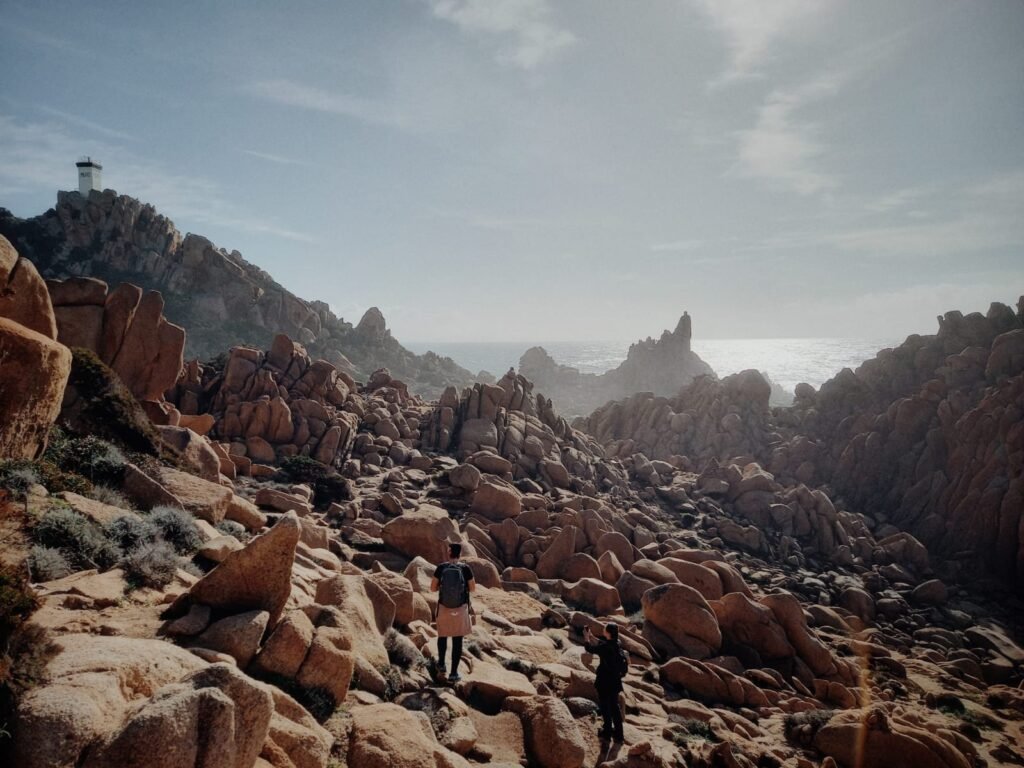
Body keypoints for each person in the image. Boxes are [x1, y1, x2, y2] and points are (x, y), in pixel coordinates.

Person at [430, 542, 476, 682]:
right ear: (460, 554)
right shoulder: (465, 568)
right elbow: (473, 588)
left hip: (444, 606)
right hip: (460, 608)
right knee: (457, 639)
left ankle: (442, 664)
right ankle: (454, 673)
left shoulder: (441, 567)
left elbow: (432, 588)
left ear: (449, 552)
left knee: (442, 635)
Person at [583, 623, 626, 741]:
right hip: (615, 681)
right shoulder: (617, 643)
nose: (603, 629)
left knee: (605, 706)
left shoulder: (606, 648)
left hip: (605, 681)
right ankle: (619, 735)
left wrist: (586, 638)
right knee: (615, 707)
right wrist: (592, 637)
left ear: (608, 632)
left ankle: (607, 732)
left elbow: (589, 649)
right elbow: (603, 644)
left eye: (604, 629)